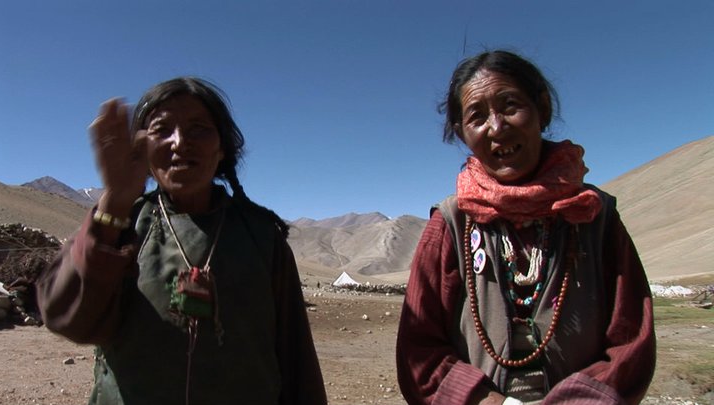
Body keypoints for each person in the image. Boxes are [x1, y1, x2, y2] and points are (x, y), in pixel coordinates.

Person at [36, 77, 328, 405]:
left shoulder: (262, 238)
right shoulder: (121, 225)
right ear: (141, 148)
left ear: (221, 148)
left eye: (199, 129)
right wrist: (114, 202)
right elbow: (68, 319)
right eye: (162, 130)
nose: (179, 142)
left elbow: (295, 359)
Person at [396, 50, 655, 405]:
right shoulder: (452, 223)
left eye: (510, 106)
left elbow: (630, 342)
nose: (497, 128)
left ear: (542, 109)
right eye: (477, 117)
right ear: (462, 133)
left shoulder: (595, 216)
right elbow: (419, 349)